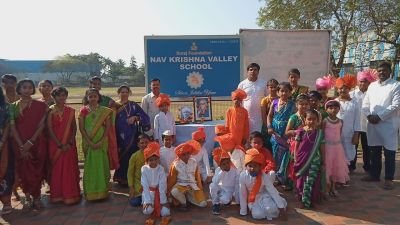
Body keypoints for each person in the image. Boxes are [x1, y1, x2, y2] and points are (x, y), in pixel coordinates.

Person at [9, 79, 48, 210]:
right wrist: (22, 145)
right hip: (19, 143)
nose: (27, 90)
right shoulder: (12, 106)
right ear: (19, 89)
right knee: (23, 170)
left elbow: (42, 125)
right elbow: (12, 127)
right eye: (24, 87)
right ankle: (27, 195)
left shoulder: (41, 106)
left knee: (36, 171)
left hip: (36, 143)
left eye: (30, 87)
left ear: (33, 89)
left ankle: (37, 197)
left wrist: (30, 142)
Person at [361, 62, 400, 190]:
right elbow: (365, 103)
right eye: (379, 71)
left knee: (389, 152)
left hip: (389, 125)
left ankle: (389, 179)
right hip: (372, 123)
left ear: (390, 71)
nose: (381, 73)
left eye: (384, 70)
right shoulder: (372, 86)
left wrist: (379, 116)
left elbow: (395, 106)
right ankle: (374, 175)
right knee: (374, 150)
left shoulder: (396, 85)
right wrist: (368, 116)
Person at [47, 87, 80, 205]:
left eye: (64, 95)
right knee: (57, 170)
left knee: (69, 169)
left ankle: (71, 194)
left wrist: (70, 142)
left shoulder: (70, 111)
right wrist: (59, 144)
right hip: (56, 146)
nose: (61, 98)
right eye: (59, 95)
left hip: (69, 145)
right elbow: (49, 129)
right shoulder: (50, 111)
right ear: (53, 97)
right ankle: (58, 195)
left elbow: (74, 128)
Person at [78, 88, 113, 201]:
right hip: (89, 142)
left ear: (99, 98)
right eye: (90, 96)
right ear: (87, 98)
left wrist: (102, 140)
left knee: (102, 165)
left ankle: (103, 191)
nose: (93, 98)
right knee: (90, 166)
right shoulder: (83, 111)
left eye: (95, 96)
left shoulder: (104, 110)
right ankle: (91, 192)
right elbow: (82, 128)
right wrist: (89, 142)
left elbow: (108, 127)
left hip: (101, 142)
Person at [113, 85, 151, 185]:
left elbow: (143, 116)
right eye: (122, 92)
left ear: (129, 93)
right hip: (118, 136)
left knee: (131, 156)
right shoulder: (114, 106)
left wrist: (135, 117)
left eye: (126, 92)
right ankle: (121, 178)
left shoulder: (133, 105)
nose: (124, 94)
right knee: (121, 156)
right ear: (118, 93)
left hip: (132, 136)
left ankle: (134, 178)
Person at [239, 148, 287, 220]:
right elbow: (242, 194)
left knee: (271, 210)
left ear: (260, 167)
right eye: (250, 166)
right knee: (257, 215)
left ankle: (282, 202)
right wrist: (243, 211)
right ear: (246, 167)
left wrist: (281, 208)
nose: (252, 168)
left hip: (264, 195)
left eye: (255, 166)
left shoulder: (263, 176)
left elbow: (272, 190)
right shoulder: (243, 176)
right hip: (252, 198)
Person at [293, 109, 324, 208]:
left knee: (311, 180)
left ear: (317, 120)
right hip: (301, 159)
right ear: (305, 120)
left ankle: (309, 200)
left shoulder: (320, 133)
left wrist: (323, 160)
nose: (311, 121)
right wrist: (295, 157)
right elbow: (296, 146)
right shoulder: (301, 131)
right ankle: (302, 198)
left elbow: (322, 148)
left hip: (315, 159)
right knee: (301, 179)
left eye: (314, 119)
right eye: (309, 119)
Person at [267, 82, 295, 183]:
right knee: (275, 154)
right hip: (275, 133)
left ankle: (283, 176)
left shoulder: (292, 105)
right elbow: (269, 115)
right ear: (278, 92)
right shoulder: (274, 102)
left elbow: (295, 119)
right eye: (282, 91)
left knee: (286, 155)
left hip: (286, 133)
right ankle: (276, 176)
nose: (284, 93)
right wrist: (269, 127)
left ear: (290, 92)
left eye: (286, 91)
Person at [350, 69, 377, 172]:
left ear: (369, 82)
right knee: (353, 146)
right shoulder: (352, 94)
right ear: (358, 82)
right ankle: (351, 166)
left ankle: (367, 167)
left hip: (367, 125)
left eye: (365, 81)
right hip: (355, 125)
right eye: (361, 81)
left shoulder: (372, 94)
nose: (362, 83)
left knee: (367, 147)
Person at [167, 140, 207, 210]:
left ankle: (189, 197)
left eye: (188, 153)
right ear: (179, 155)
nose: (186, 156)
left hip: (193, 186)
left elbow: (197, 177)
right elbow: (172, 180)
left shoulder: (194, 162)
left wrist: (200, 188)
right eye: (183, 154)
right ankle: (184, 203)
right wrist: (169, 193)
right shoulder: (175, 164)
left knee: (203, 204)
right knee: (174, 191)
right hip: (180, 185)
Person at [323, 100, 349, 197]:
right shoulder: (325, 121)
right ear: (326, 109)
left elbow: (339, 134)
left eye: (336, 108)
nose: (333, 110)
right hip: (327, 147)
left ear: (339, 109)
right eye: (331, 108)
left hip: (337, 148)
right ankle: (327, 188)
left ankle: (333, 187)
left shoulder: (340, 121)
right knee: (328, 167)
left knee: (336, 167)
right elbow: (321, 134)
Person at [141, 142, 171, 225]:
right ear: (147, 161)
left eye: (155, 160)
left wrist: (163, 201)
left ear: (158, 160)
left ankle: (158, 206)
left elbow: (162, 186)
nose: (153, 162)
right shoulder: (144, 169)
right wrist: (147, 201)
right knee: (147, 211)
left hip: (159, 193)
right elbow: (145, 186)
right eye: (151, 160)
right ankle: (150, 205)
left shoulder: (161, 169)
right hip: (149, 194)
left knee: (165, 213)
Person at [284, 94, 310, 191]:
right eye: (301, 104)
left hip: (307, 144)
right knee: (294, 163)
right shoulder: (293, 117)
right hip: (295, 145)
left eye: (306, 104)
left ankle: (304, 182)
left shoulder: (310, 116)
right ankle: (292, 182)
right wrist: (299, 131)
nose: (304, 106)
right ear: (296, 105)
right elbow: (287, 132)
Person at [335, 74, 360, 171]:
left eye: (345, 88)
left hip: (350, 134)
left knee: (348, 154)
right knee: (337, 154)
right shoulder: (334, 102)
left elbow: (357, 120)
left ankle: (345, 174)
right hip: (336, 134)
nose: (343, 90)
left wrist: (356, 134)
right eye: (341, 88)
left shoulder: (354, 103)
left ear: (349, 89)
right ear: (337, 90)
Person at [237, 63, 267, 133]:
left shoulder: (263, 83)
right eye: (251, 70)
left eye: (255, 70)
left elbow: (268, 97)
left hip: (260, 116)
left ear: (258, 72)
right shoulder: (242, 84)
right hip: (246, 115)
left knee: (258, 135)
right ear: (247, 72)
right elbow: (238, 99)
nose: (253, 71)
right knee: (246, 134)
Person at [210, 148, 239, 215]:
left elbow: (237, 186)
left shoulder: (235, 171)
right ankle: (215, 204)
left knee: (225, 200)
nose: (226, 165)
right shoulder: (218, 170)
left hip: (229, 190)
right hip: (221, 188)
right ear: (220, 165)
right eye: (223, 164)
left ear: (230, 162)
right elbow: (215, 181)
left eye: (227, 163)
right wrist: (221, 172)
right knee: (212, 185)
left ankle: (226, 200)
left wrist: (238, 201)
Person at [0, 86, 13, 215]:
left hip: (3, 144)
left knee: (4, 172)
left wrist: (2, 141)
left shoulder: (5, 107)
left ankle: (6, 203)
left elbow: (8, 124)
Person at [127, 134, 151, 207]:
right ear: (138, 144)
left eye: (146, 142)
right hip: (139, 184)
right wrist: (131, 187)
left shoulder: (153, 155)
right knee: (135, 203)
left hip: (151, 183)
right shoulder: (134, 156)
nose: (144, 145)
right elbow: (130, 173)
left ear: (150, 143)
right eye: (142, 143)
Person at [261, 79, 279, 151]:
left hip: (278, 126)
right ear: (267, 88)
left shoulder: (280, 99)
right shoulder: (264, 100)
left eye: (275, 87)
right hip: (267, 126)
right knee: (267, 146)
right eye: (271, 87)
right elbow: (263, 115)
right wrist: (268, 127)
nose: (273, 89)